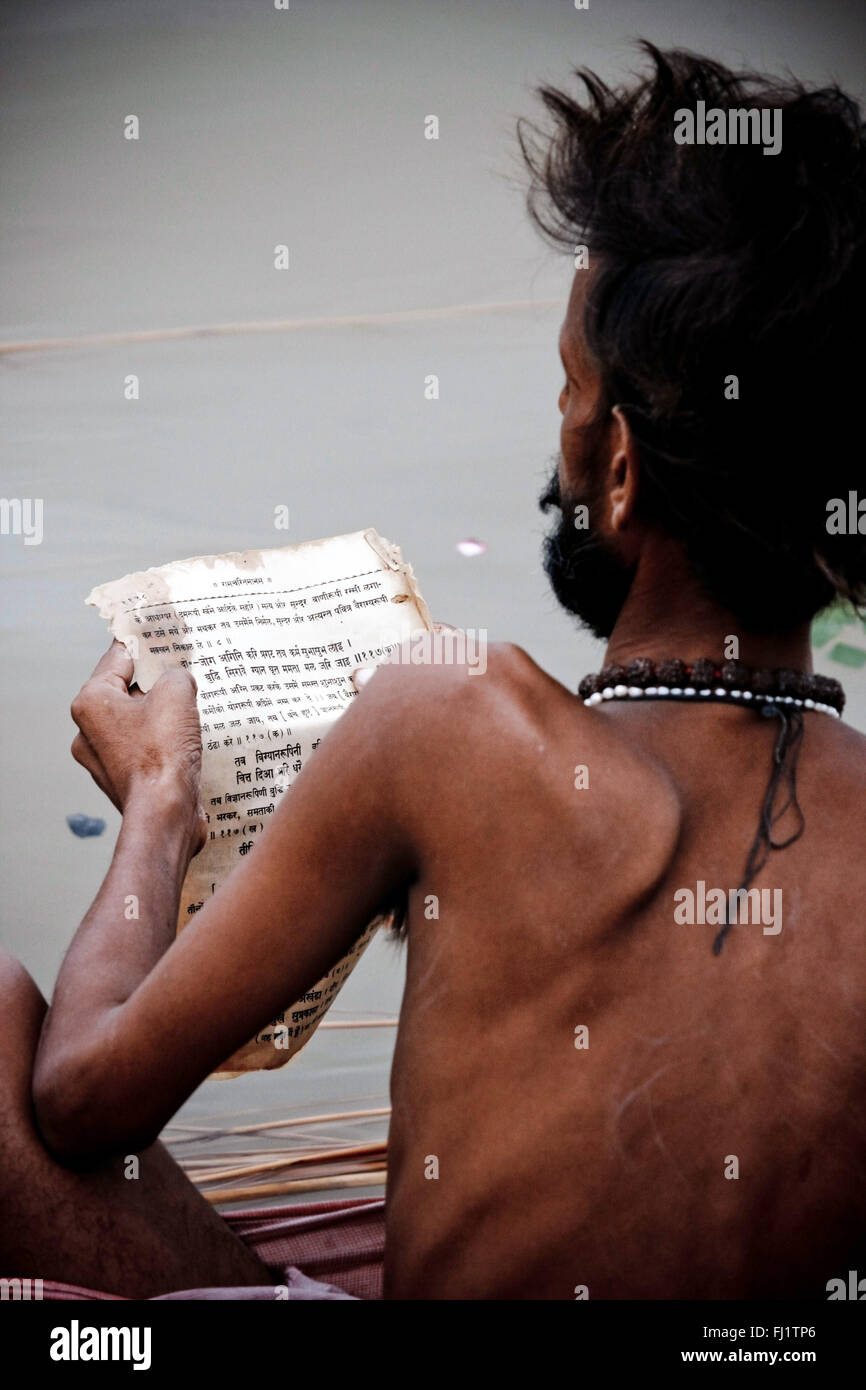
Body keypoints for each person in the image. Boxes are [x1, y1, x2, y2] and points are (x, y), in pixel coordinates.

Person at [3, 45, 865, 1299]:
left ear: (617, 470)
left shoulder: (449, 718)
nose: (557, 442)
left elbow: (81, 1100)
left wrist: (161, 806)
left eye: (569, 397)